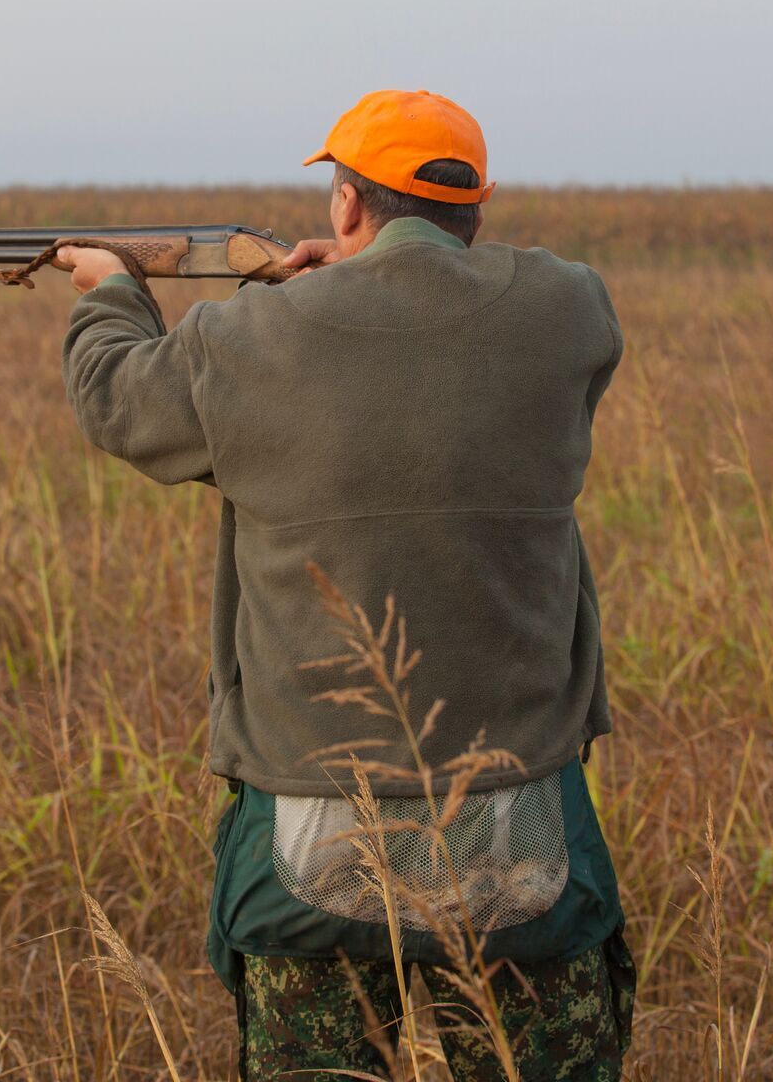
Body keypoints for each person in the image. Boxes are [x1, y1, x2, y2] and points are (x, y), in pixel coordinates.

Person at [55, 90, 633, 1080]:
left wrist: (111, 288)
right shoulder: (571, 311)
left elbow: (116, 396)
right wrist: (374, 277)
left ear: (347, 204)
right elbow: (459, 333)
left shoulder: (250, 340)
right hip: (523, 836)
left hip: (310, 843)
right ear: (477, 209)